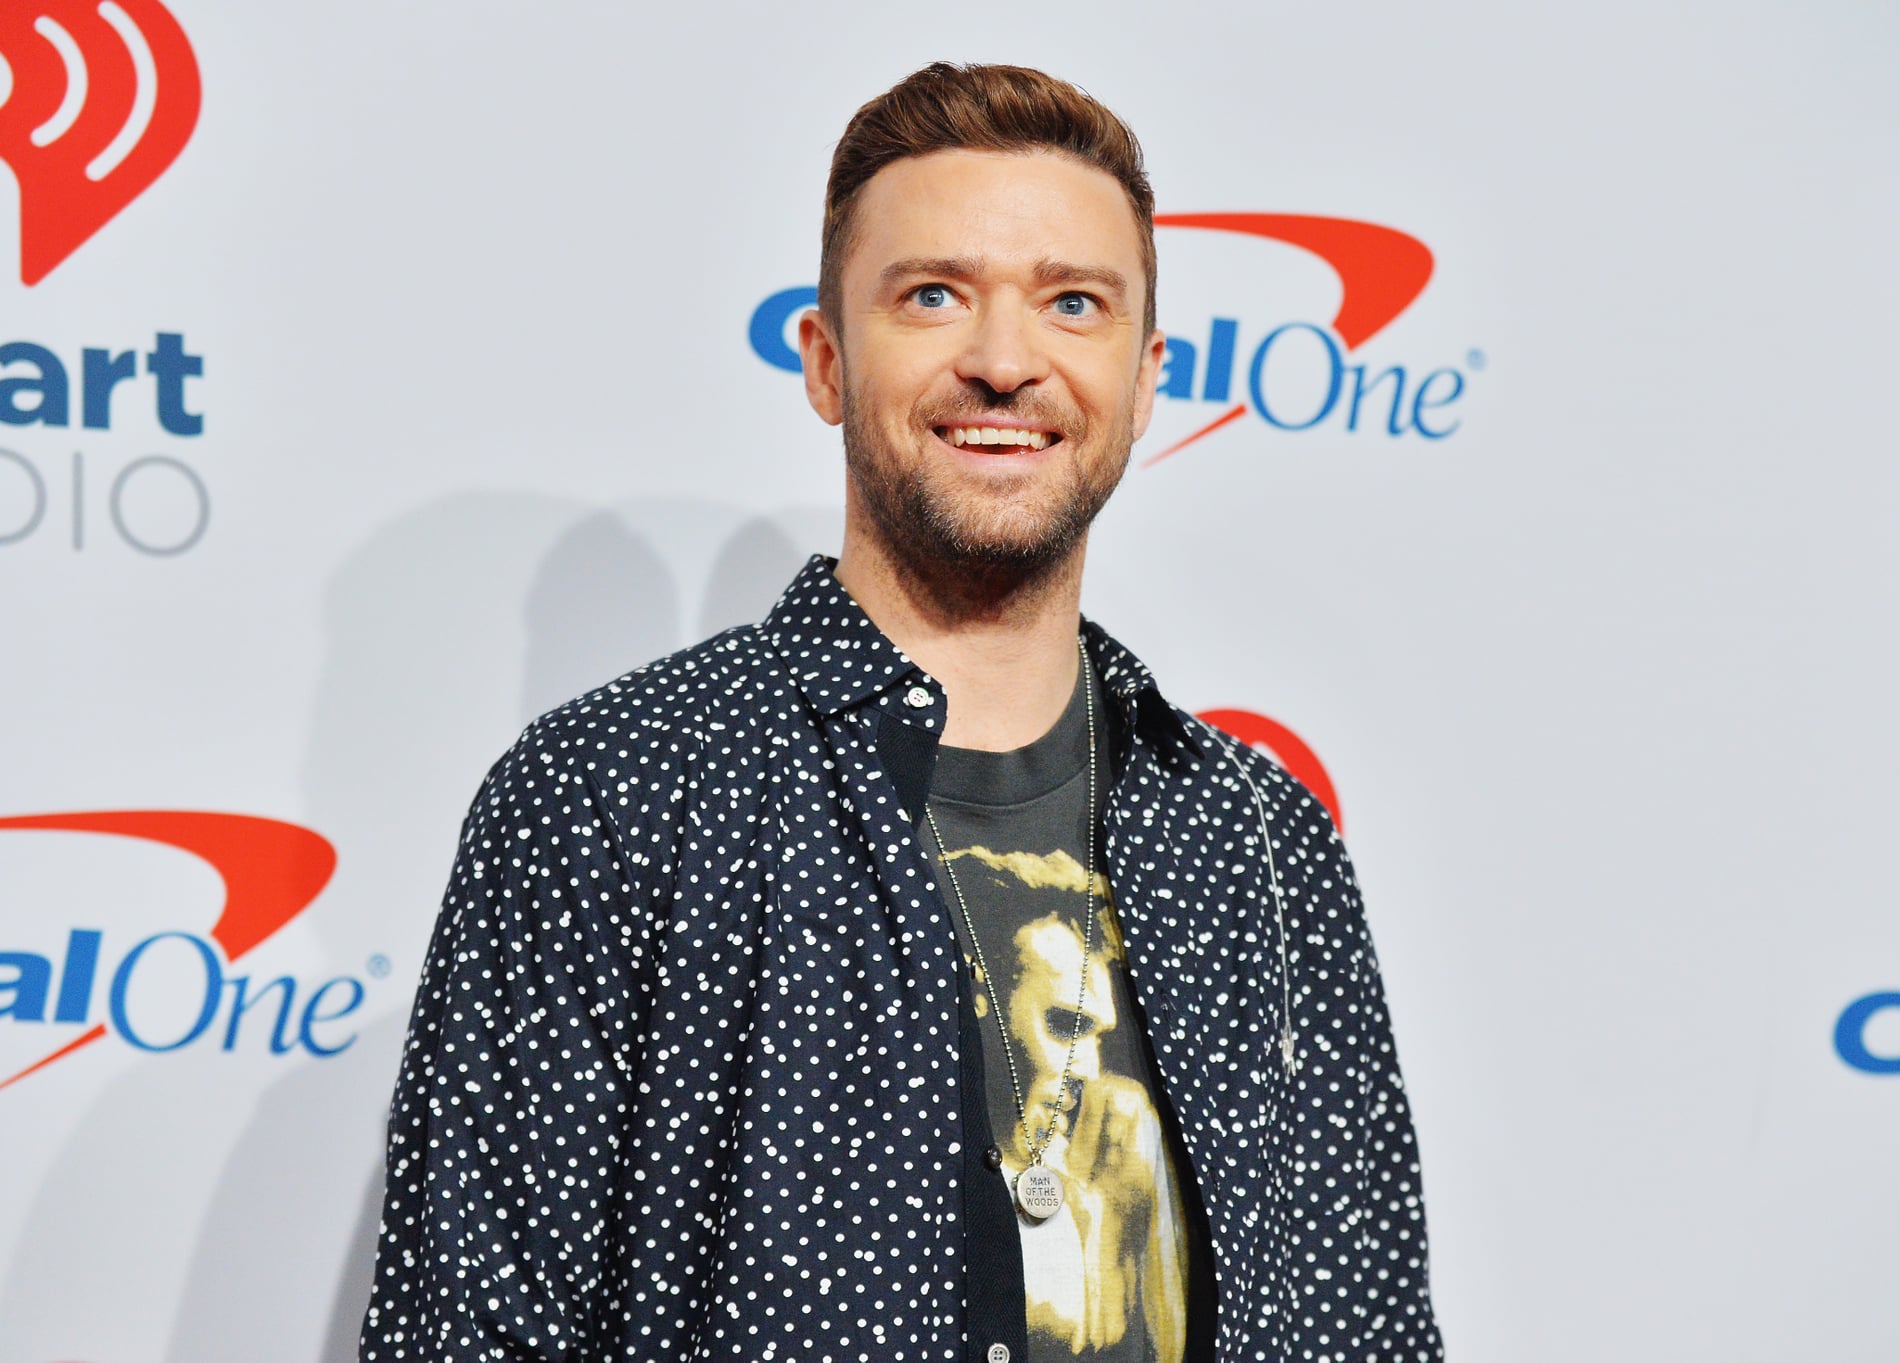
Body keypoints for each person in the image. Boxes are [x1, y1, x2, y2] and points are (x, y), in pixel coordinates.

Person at [362, 62, 1441, 1363]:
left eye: (1072, 304)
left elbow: (1358, 1329)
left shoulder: (1258, 837)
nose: (1002, 361)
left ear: (1148, 377)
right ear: (825, 361)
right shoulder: (612, 793)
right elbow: (471, 1333)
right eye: (933, 296)